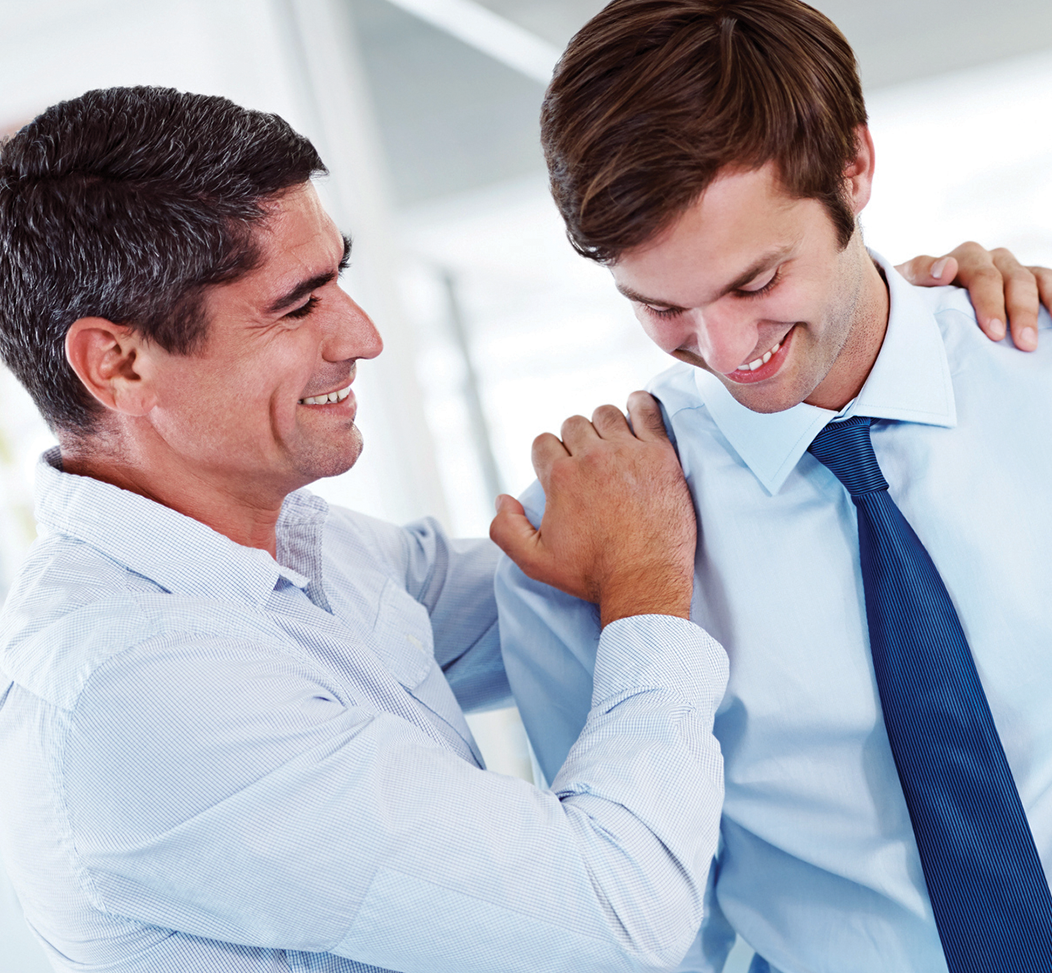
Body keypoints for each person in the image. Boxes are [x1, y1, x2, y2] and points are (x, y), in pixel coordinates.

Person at [0, 90, 1036, 973]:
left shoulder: (313, 558)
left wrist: (897, 315)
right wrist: (640, 580)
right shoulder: (130, 687)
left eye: (340, 278)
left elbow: (558, 571)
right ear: (117, 363)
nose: (359, 336)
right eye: (297, 303)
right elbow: (614, 913)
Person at [496, 0, 1052, 973]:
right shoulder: (579, 534)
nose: (720, 344)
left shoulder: (1034, 366)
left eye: (755, 281)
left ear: (853, 165)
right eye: (659, 306)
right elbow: (633, 919)